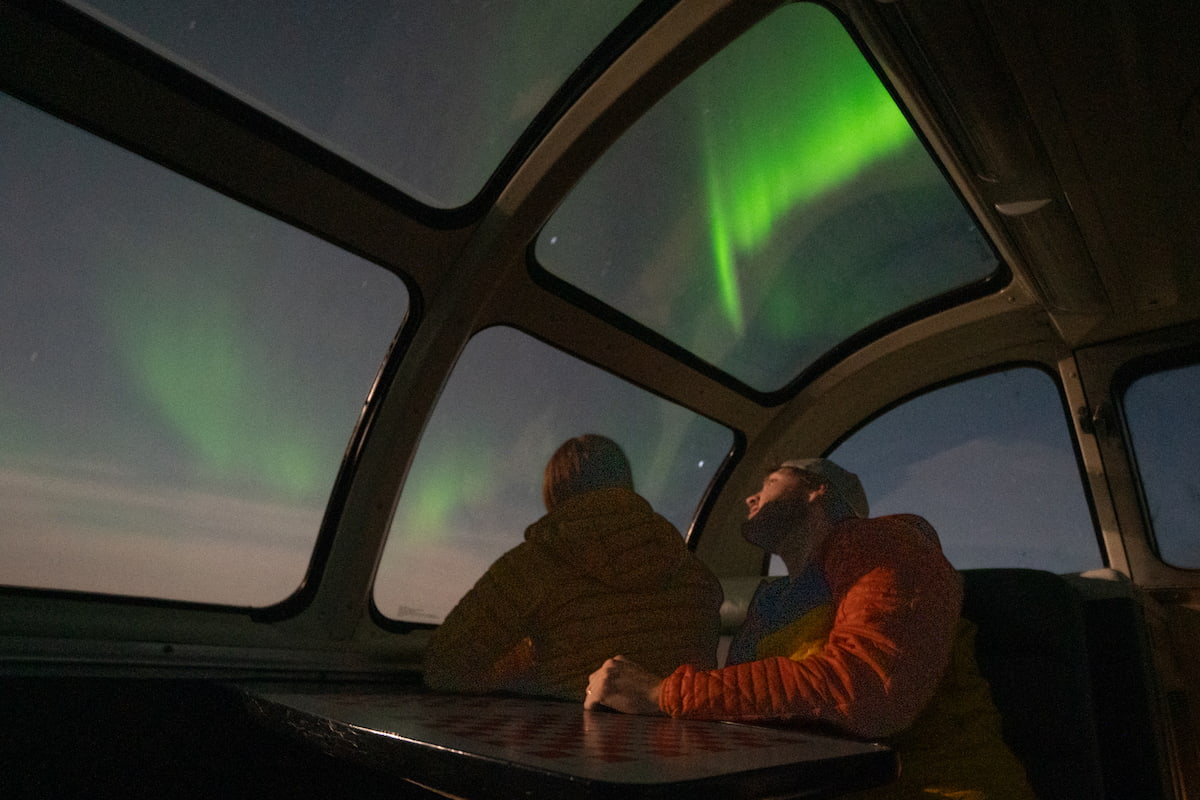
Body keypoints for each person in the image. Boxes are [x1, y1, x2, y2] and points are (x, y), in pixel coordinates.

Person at [585, 458, 1035, 799]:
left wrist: (662, 693)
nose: (749, 496)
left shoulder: (885, 543)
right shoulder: (773, 600)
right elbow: (741, 718)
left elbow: (869, 688)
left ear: (818, 489)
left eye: (772, 479)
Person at [424, 434, 723, 702]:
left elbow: (444, 665)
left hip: (575, 746)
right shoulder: (693, 571)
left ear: (554, 493)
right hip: (683, 748)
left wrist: (525, 665)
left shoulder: (534, 564)